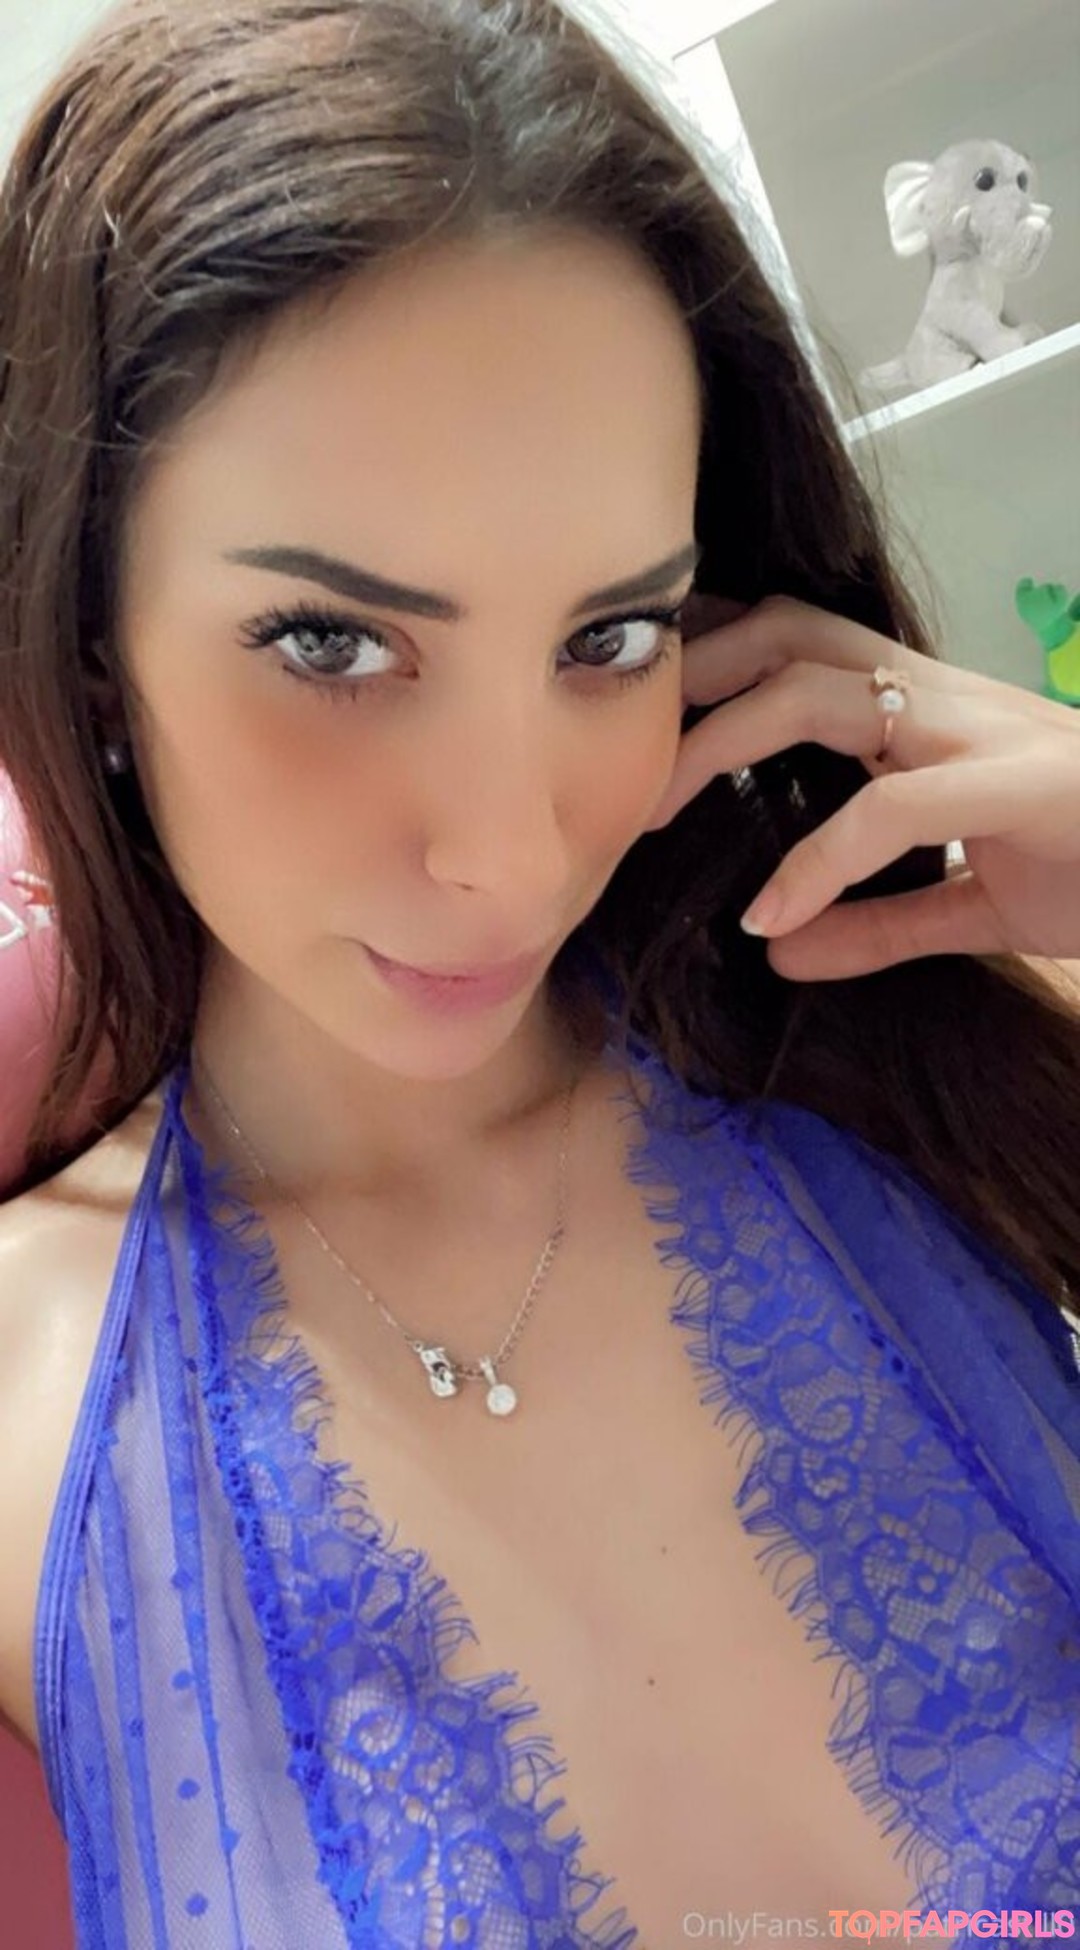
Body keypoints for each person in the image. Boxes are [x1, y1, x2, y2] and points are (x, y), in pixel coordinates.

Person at [1, 0, 1079, 1943]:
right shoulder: (28, 1405)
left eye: (611, 637)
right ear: (90, 649)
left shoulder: (935, 1059)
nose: (510, 854)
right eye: (331, 644)